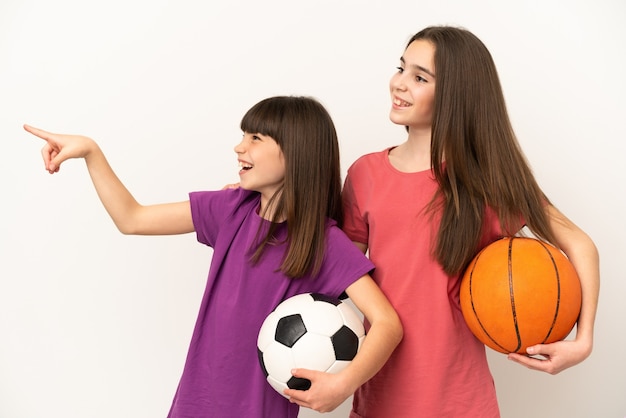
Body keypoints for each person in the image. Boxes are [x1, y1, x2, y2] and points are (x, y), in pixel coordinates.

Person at [24, 95, 403, 418]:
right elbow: (132, 218)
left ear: (296, 152)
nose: (240, 147)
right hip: (193, 405)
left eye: (255, 138)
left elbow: (387, 322)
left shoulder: (323, 242)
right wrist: (91, 151)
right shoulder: (229, 209)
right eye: (242, 136)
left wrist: (343, 385)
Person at [341, 26, 600, 418]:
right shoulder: (365, 174)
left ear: (455, 94)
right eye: (401, 68)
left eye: (419, 77)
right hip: (377, 398)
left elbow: (580, 244)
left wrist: (583, 341)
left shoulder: (489, 183)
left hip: (461, 402)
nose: (399, 84)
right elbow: (333, 271)